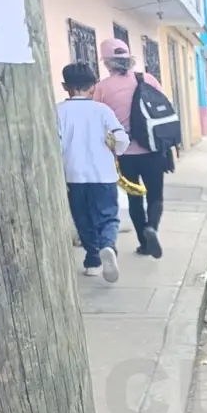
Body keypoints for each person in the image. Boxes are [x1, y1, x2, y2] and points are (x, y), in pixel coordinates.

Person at [93, 39, 165, 259]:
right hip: (152, 150)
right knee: (155, 195)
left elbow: (99, 121)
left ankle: (144, 244)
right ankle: (152, 226)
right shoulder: (148, 79)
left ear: (106, 62)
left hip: (124, 153)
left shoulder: (101, 88)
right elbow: (162, 111)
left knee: (135, 198)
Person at [57, 62, 128, 282]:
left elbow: (55, 145)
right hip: (103, 174)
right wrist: (115, 149)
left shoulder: (57, 111)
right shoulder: (102, 110)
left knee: (82, 218)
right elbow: (121, 140)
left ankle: (93, 260)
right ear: (93, 87)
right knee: (108, 217)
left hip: (73, 176)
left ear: (65, 86)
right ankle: (107, 244)